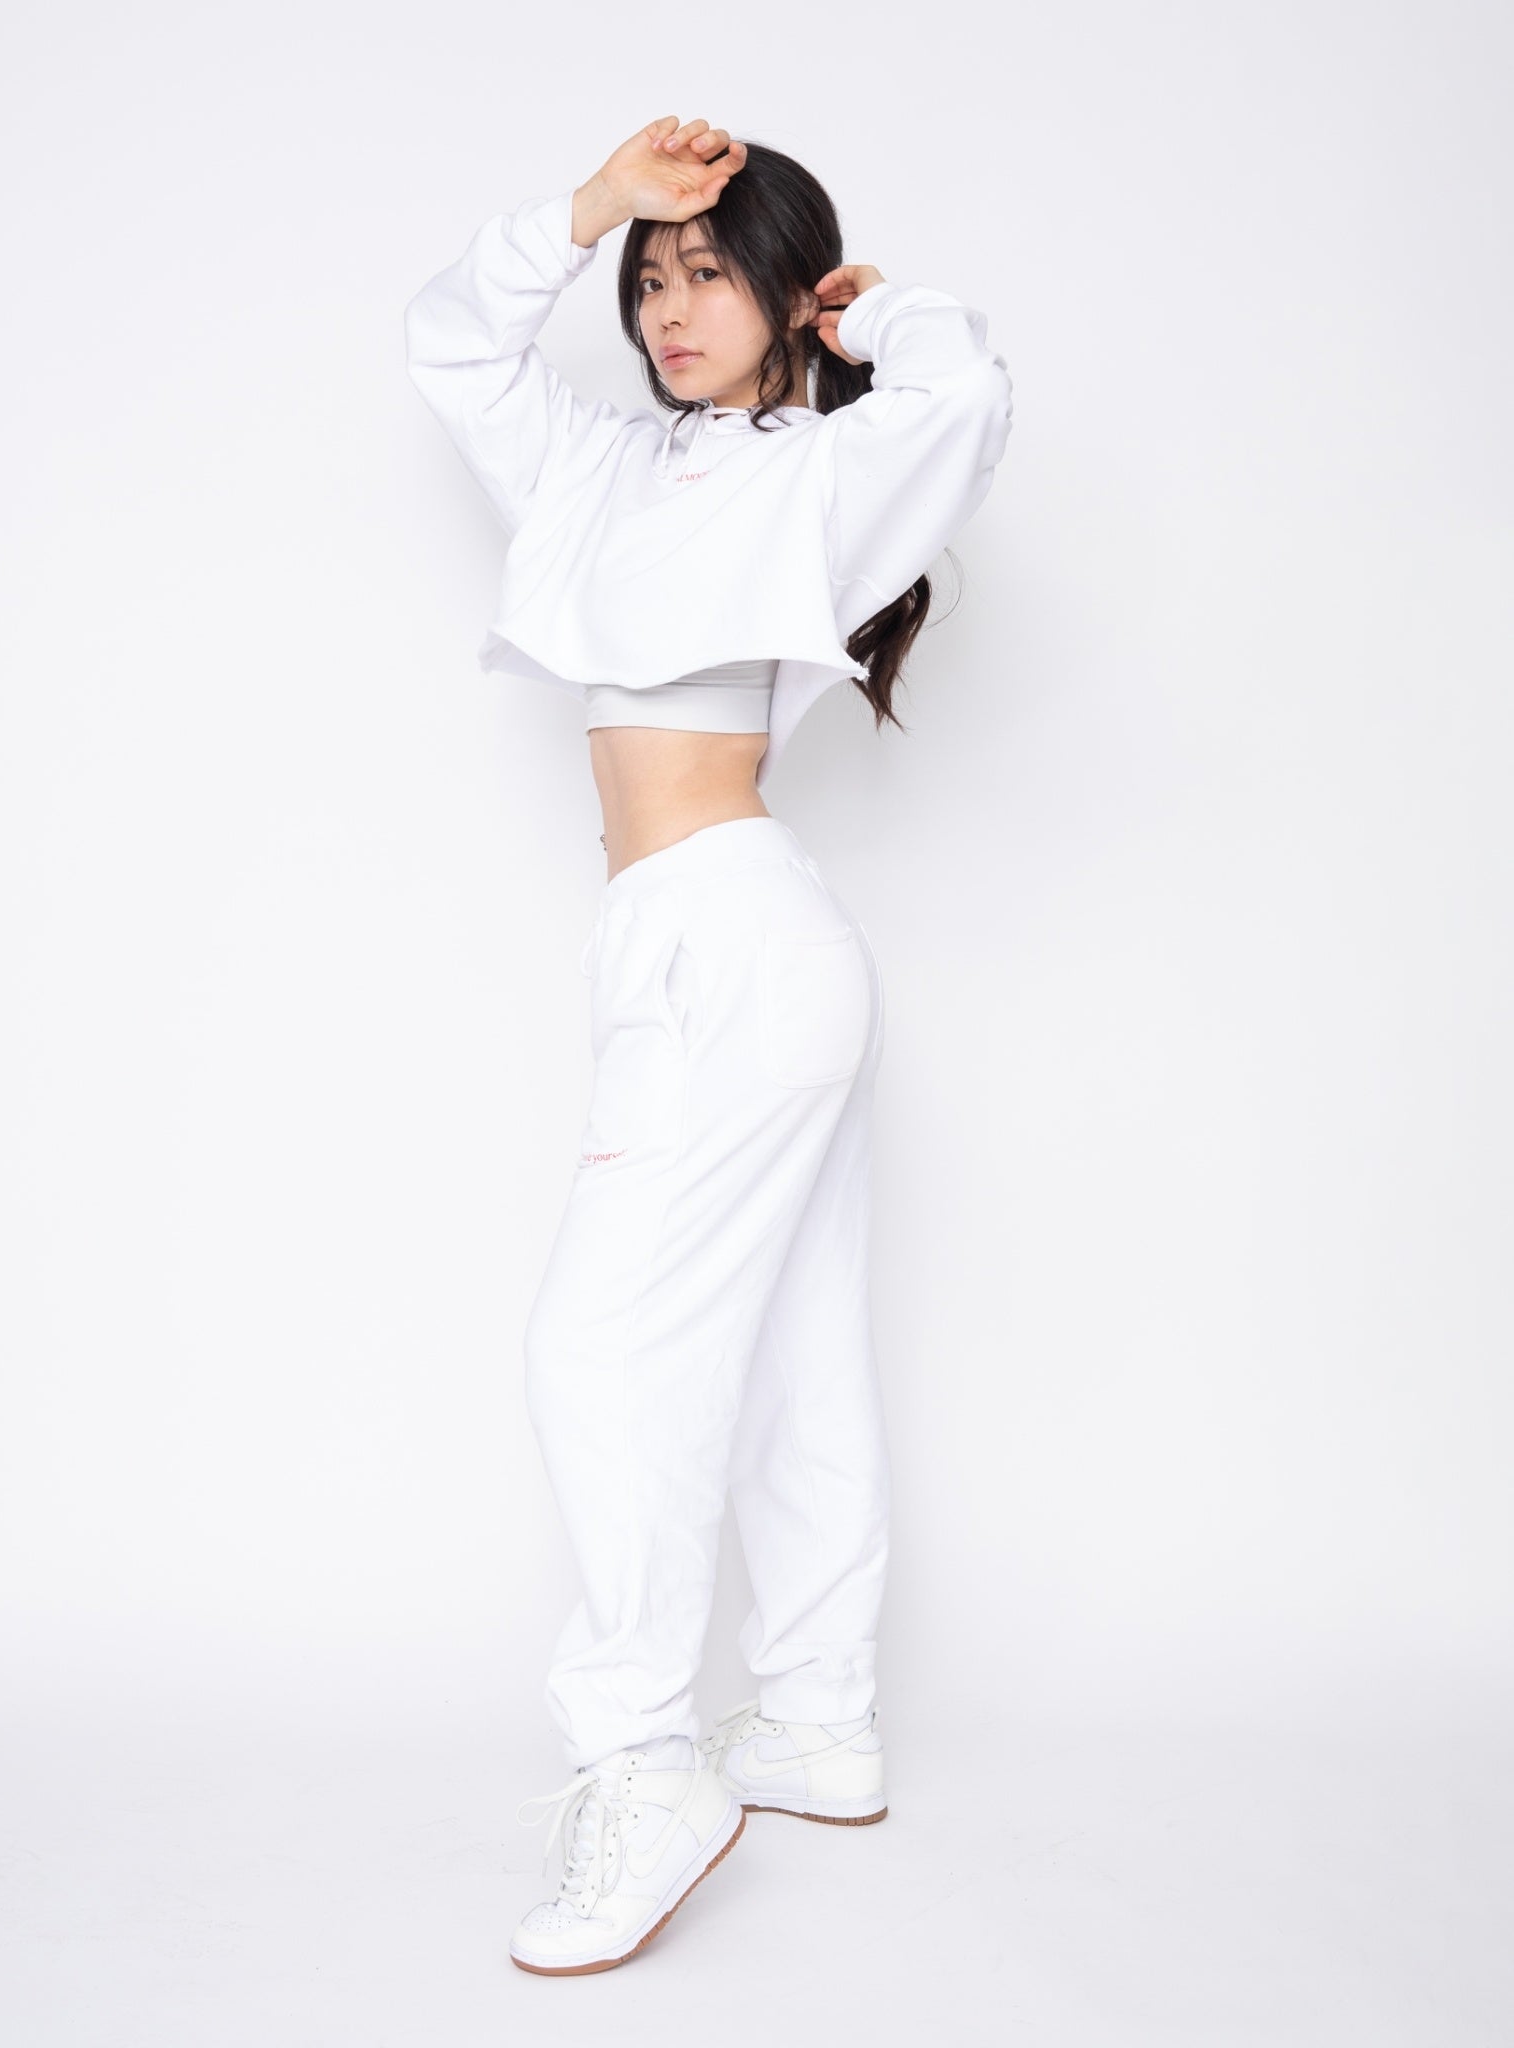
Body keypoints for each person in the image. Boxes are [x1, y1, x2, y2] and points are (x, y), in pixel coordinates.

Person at [403, 114, 1014, 1976]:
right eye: (649, 283)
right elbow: (450, 342)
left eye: (709, 276)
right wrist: (593, 206)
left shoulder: (818, 471)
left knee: (599, 1350)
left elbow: (967, 395)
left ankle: (643, 1760)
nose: (671, 310)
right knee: (790, 1358)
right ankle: (815, 1721)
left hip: (733, 943)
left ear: (781, 295)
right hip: (695, 941)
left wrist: (869, 311)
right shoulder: (599, 463)